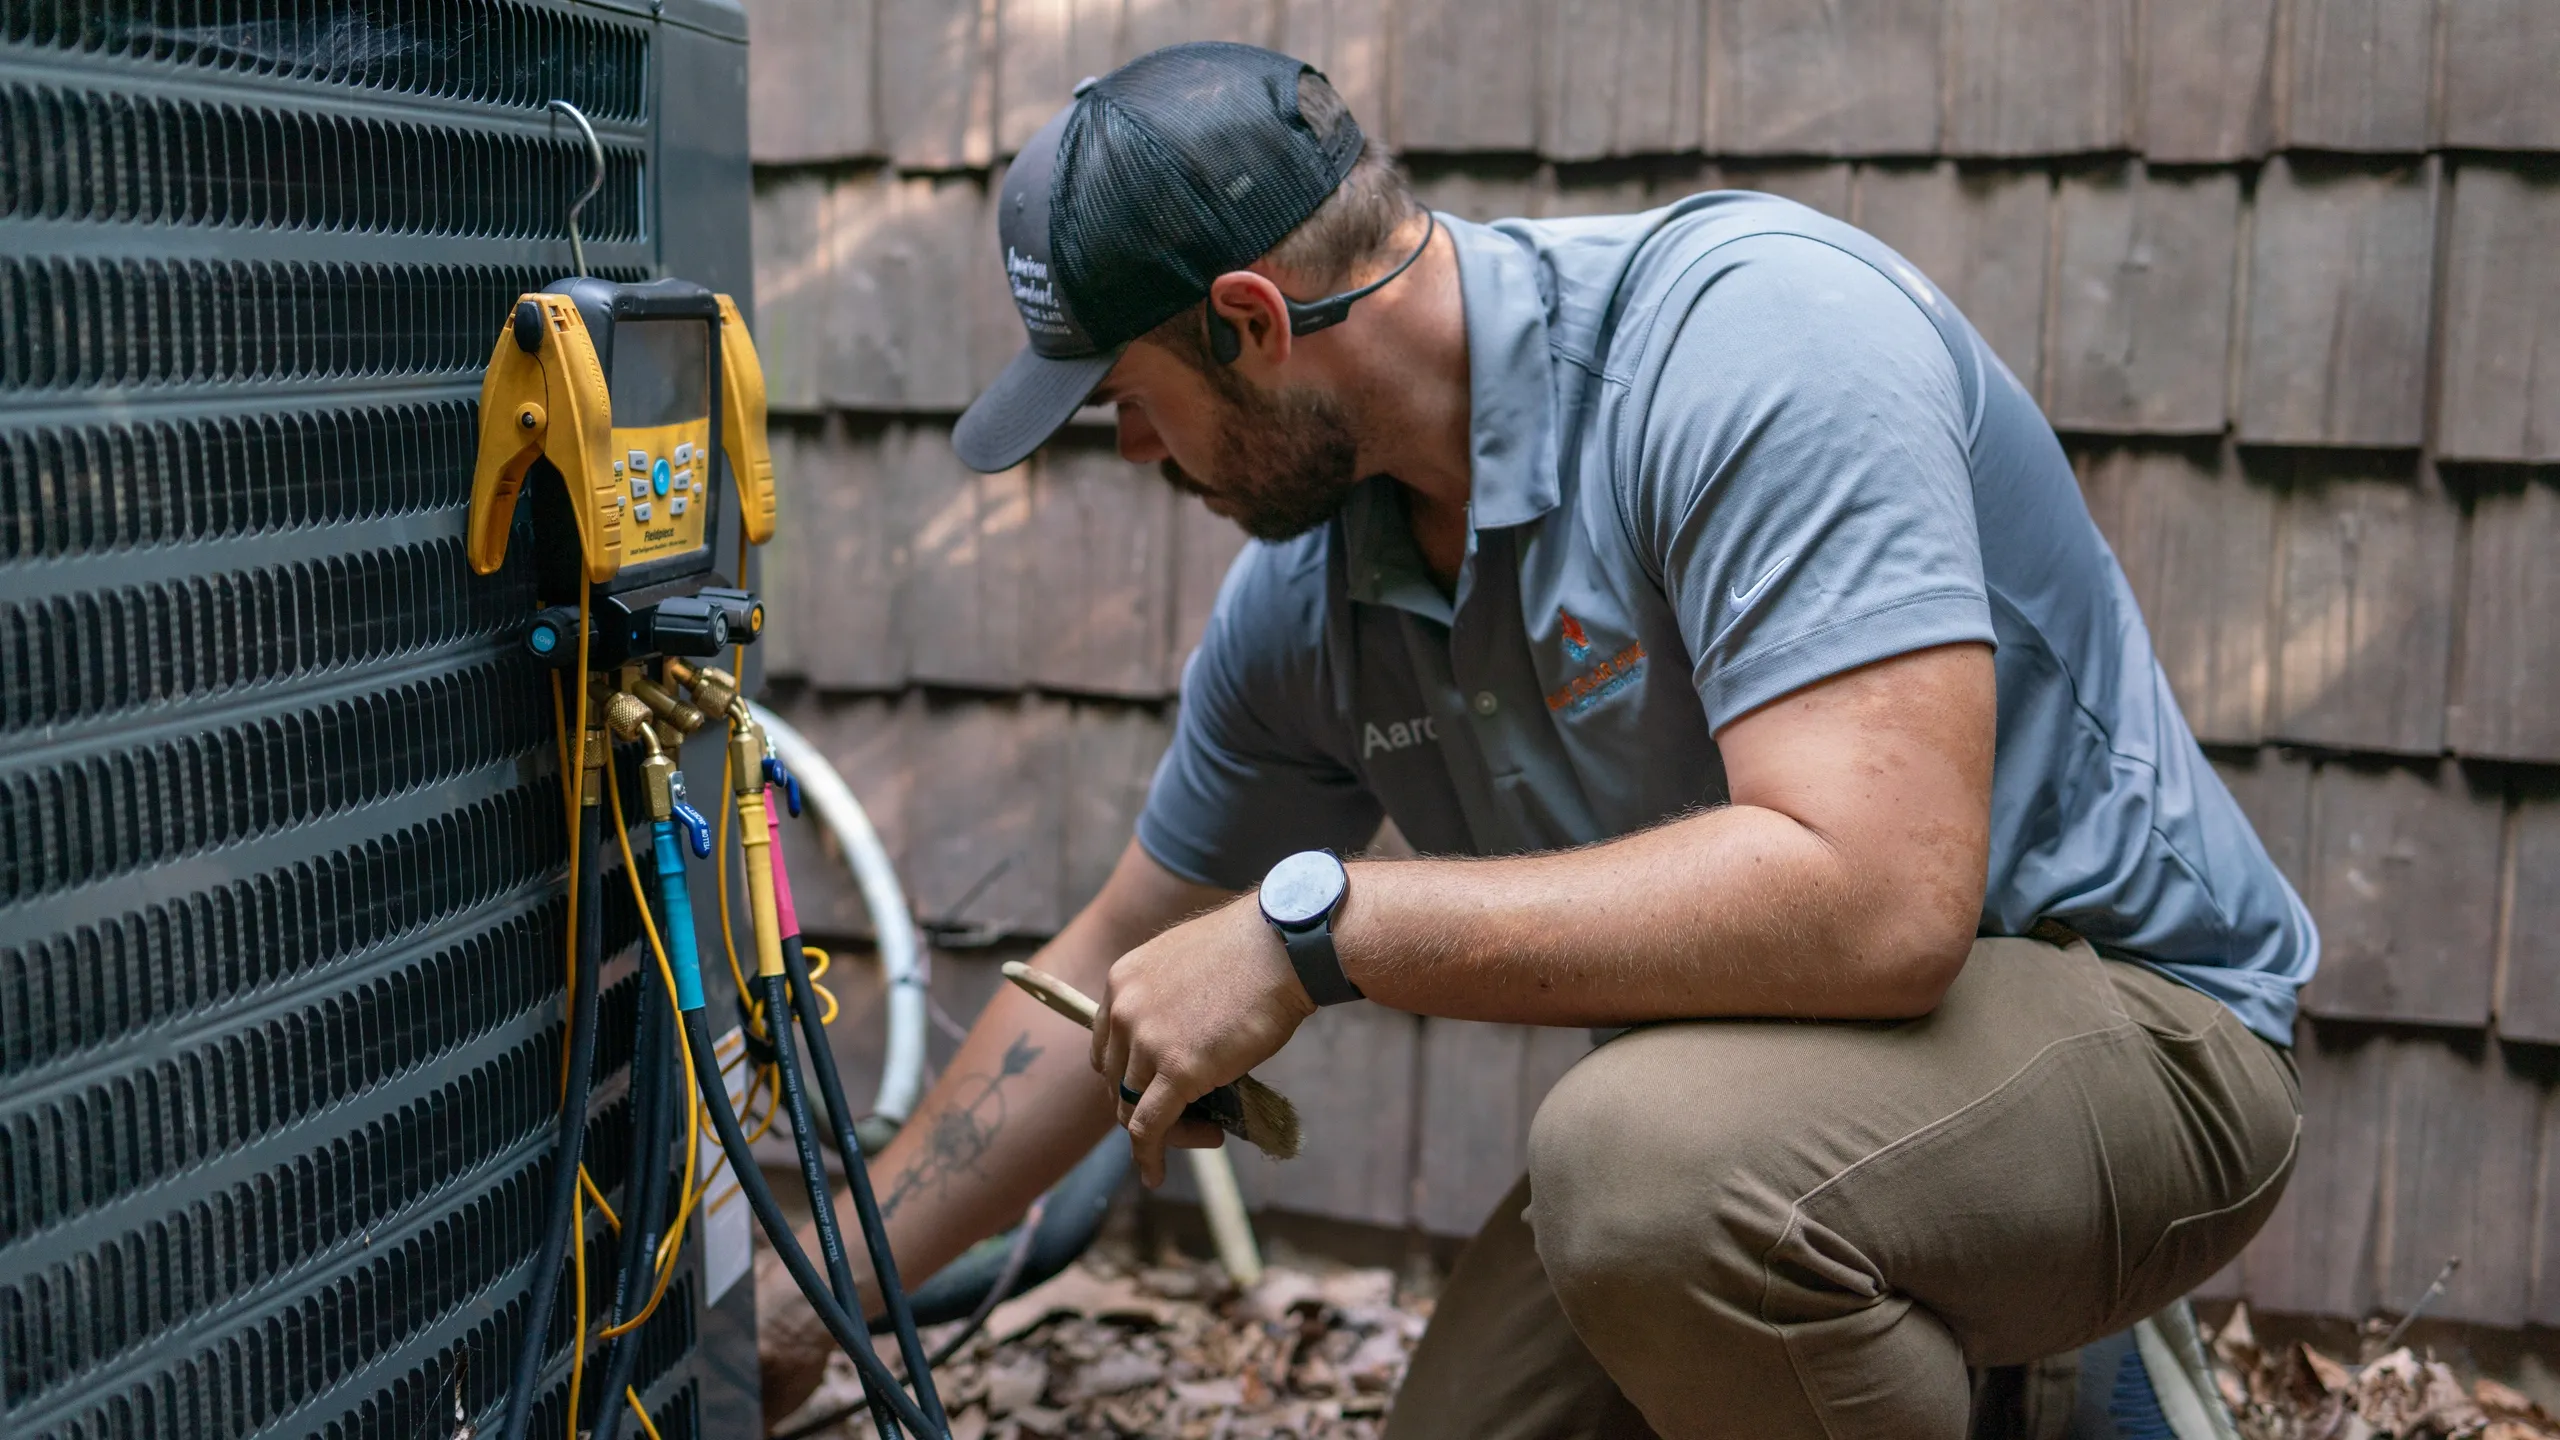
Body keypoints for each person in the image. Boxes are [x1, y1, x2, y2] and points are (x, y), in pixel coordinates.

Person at [760, 41, 2314, 1439]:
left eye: (1129, 399)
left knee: (1643, 1176)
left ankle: (2053, 1376)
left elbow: (1882, 905)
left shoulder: (1751, 347)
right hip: (1795, 1103)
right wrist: (819, 1289)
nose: (1141, 452)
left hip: (2141, 1039)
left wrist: (1327, 929)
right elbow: (1118, 953)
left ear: (1252, 322)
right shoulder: (1307, 602)